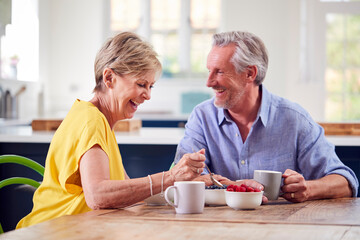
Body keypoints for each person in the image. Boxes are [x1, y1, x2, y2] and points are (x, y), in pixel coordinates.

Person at [17, 32, 205, 228]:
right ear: (109, 78)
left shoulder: (100, 121)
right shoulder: (91, 121)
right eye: (141, 84)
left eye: (151, 86)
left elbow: (127, 194)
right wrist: (171, 177)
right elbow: (98, 195)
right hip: (49, 232)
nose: (147, 95)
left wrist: (187, 181)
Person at [174, 31, 359, 203]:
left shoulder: (294, 119)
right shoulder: (202, 117)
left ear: (250, 73)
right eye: (209, 71)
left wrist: (308, 189)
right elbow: (180, 177)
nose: (209, 82)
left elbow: (346, 182)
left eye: (219, 72)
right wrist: (233, 186)